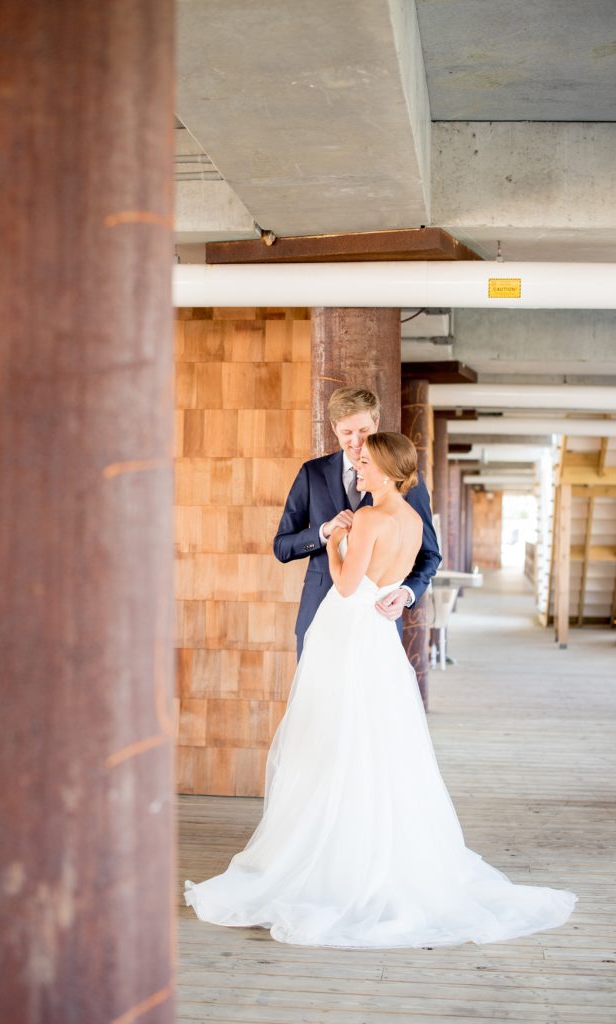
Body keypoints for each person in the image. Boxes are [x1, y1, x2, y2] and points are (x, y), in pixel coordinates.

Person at [184, 432, 578, 949]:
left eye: (366, 463)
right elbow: (397, 572)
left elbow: (346, 585)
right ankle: (370, 845)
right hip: (377, 637)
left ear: (389, 470)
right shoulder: (412, 520)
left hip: (347, 629)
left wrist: (330, 540)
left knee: (331, 734)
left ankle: (330, 854)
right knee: (377, 740)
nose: (359, 470)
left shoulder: (369, 518)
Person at [273, 386, 441, 659]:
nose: (357, 442)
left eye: (363, 431)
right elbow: (282, 547)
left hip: (376, 620)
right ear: (333, 428)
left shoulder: (407, 481)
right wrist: (325, 532)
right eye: (347, 433)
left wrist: (408, 592)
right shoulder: (312, 473)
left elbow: (430, 554)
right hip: (319, 615)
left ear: (376, 422)